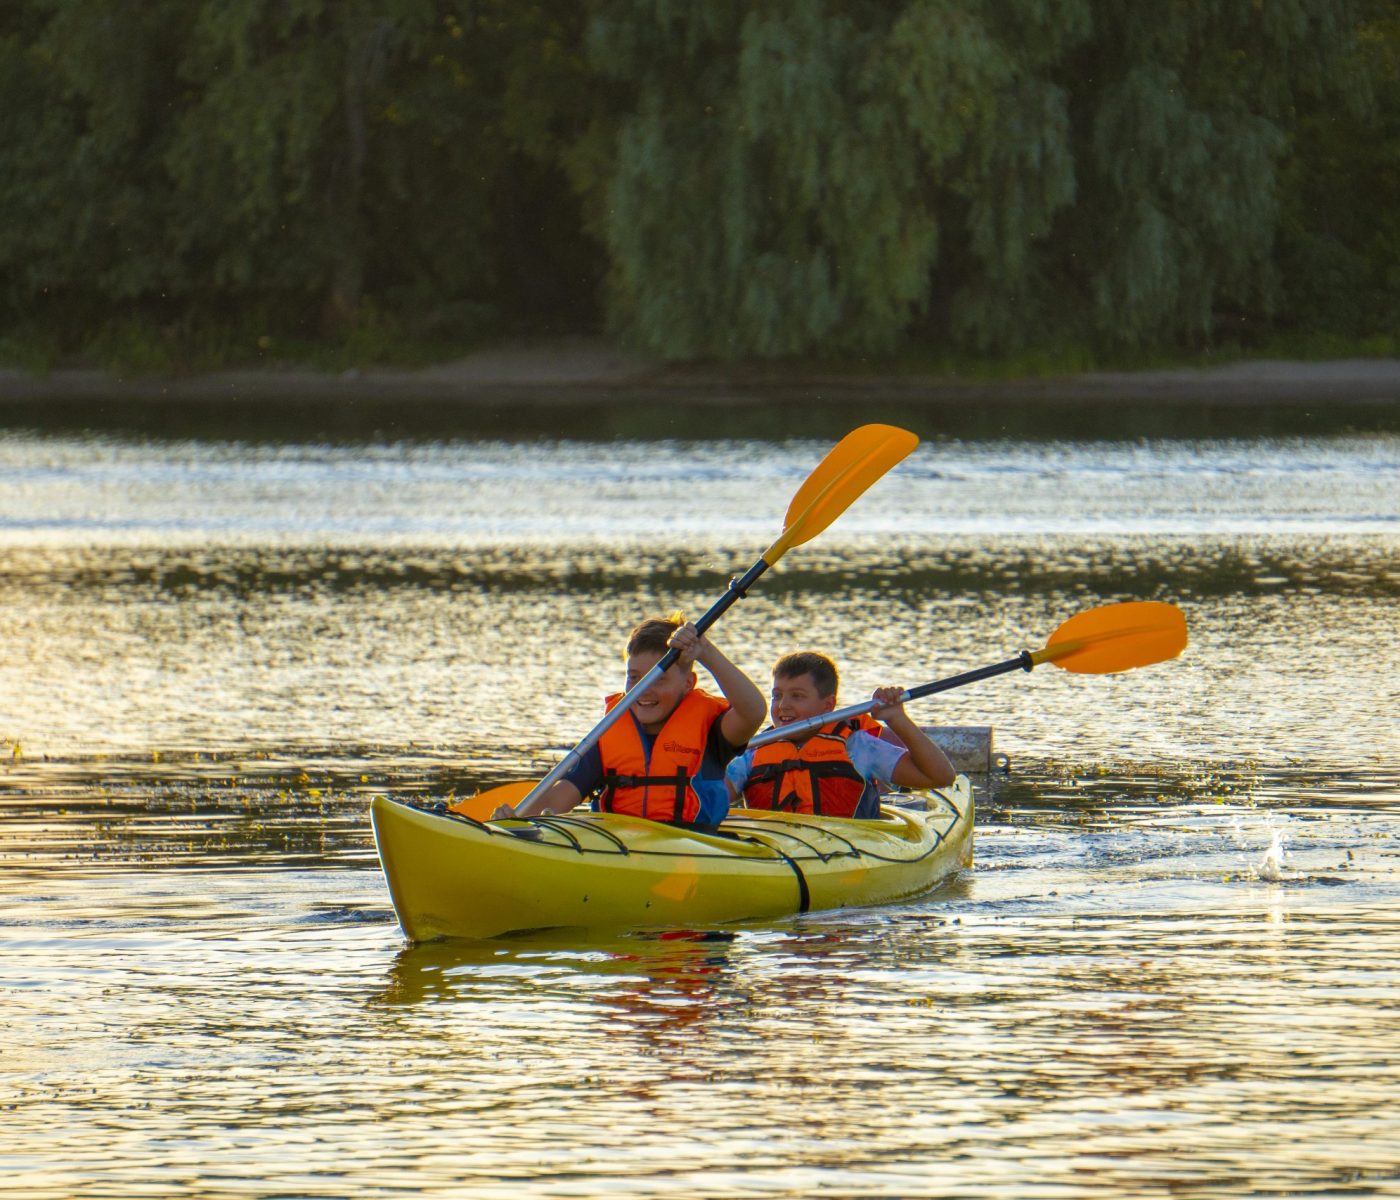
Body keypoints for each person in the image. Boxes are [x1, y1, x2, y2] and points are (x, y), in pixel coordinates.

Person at [491, 616, 765, 825]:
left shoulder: (711, 732)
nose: (644, 689)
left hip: (693, 848)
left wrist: (706, 653)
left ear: (688, 683)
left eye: (658, 678)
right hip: (620, 848)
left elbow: (753, 711)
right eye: (634, 678)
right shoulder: (609, 735)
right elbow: (561, 796)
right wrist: (516, 823)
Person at [726, 651, 955, 818]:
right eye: (777, 695)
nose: (783, 705)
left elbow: (940, 777)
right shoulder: (753, 752)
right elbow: (711, 799)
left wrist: (897, 719)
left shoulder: (857, 747)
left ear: (828, 705)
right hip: (773, 849)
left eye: (797, 696)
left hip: (849, 850)